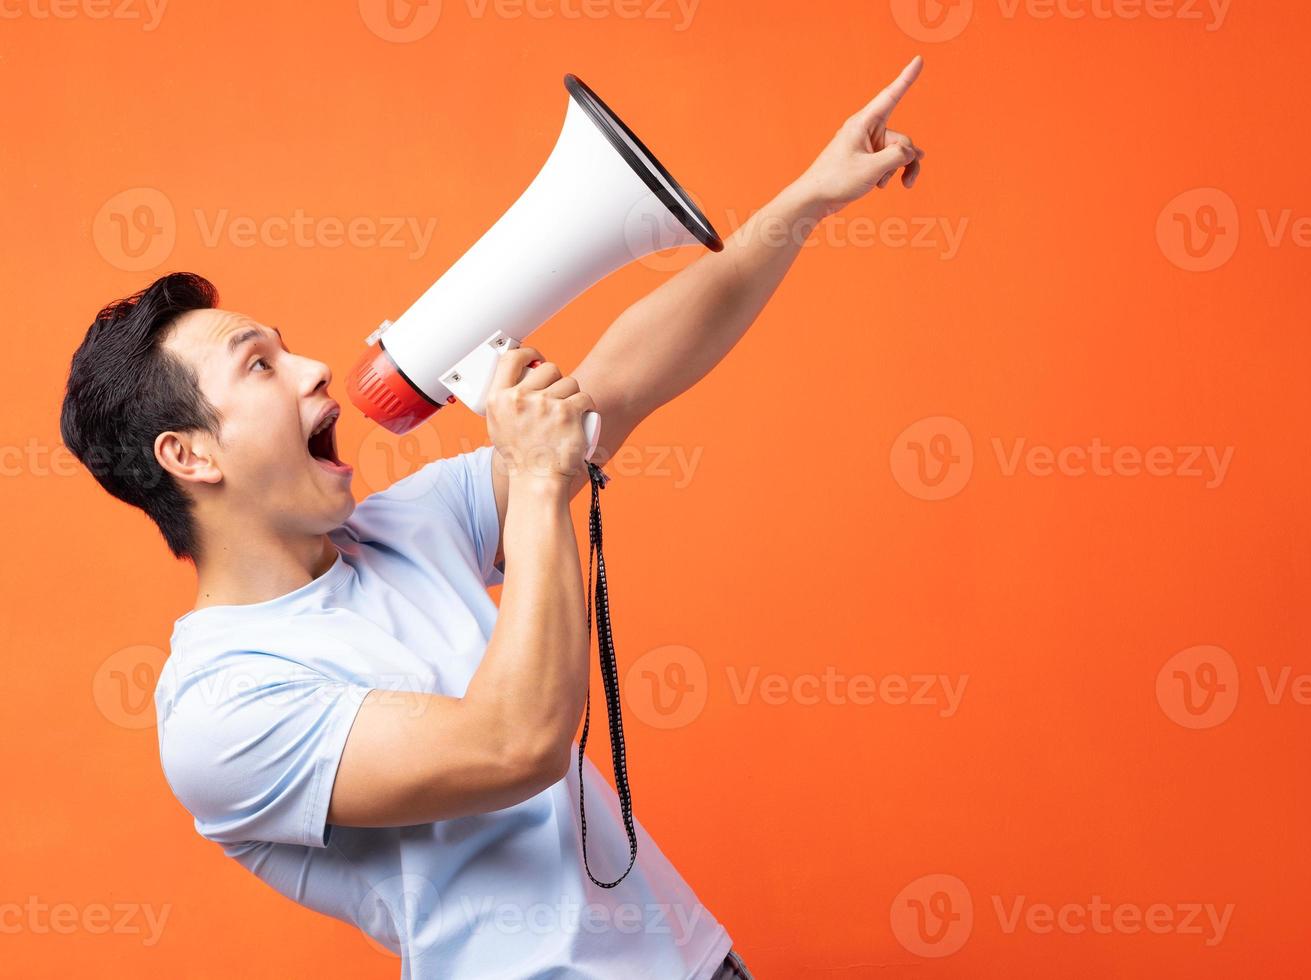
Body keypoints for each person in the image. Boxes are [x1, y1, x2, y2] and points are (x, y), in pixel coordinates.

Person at [60, 59, 926, 979]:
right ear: (190, 456)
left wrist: (808, 199)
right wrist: (543, 478)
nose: (315, 368)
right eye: (262, 367)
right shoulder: (220, 708)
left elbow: (626, 377)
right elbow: (515, 744)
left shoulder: (402, 528)